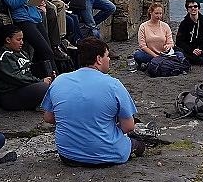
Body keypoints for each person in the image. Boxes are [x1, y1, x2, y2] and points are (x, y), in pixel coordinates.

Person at [42, 37, 145, 166]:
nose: (109, 60)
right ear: (98, 59)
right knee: (137, 142)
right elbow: (128, 126)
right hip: (108, 155)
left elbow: (48, 117)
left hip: (68, 154)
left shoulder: (59, 81)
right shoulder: (113, 85)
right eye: (107, 56)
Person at [0, 24, 52, 110]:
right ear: (8, 40)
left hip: (26, 87)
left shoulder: (21, 53)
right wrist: (40, 81)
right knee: (44, 87)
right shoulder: (2, 58)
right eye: (18, 40)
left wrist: (46, 74)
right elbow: (17, 78)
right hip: (11, 94)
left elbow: (29, 69)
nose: (22, 42)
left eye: (22, 39)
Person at [133, 2, 184, 67]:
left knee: (180, 54)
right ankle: (164, 62)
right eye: (156, 13)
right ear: (150, 12)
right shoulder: (143, 26)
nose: (159, 16)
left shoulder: (165, 26)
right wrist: (156, 56)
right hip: (150, 54)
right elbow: (142, 46)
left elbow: (171, 43)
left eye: (160, 13)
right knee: (137, 55)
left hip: (164, 54)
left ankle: (158, 63)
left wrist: (168, 46)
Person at [176, 0, 203, 65]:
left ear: (198, 8)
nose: (193, 8)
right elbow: (179, 41)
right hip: (190, 51)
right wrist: (192, 50)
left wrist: (201, 50)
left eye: (195, 6)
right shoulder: (184, 24)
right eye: (190, 7)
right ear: (187, 9)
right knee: (177, 50)